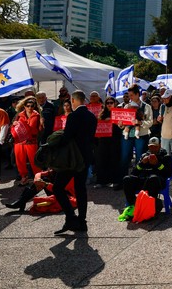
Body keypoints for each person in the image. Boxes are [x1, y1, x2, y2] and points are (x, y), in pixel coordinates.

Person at [53, 90, 97, 235]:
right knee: (80, 189)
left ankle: (71, 217)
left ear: (73, 100)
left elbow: (67, 137)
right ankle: (82, 221)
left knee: (58, 187)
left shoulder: (73, 116)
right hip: (85, 157)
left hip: (72, 159)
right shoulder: (92, 116)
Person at [119, 136, 172, 221]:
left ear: (159, 146)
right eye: (151, 146)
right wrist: (141, 164)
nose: (153, 149)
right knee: (127, 179)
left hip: (157, 182)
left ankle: (147, 205)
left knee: (153, 178)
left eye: (155, 146)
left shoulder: (166, 157)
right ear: (148, 147)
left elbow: (169, 173)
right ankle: (133, 205)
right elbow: (134, 173)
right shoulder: (144, 155)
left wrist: (157, 164)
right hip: (144, 180)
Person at [5, 168, 75, 213]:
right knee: (42, 179)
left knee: (44, 180)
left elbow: (61, 189)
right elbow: (39, 174)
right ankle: (21, 201)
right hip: (56, 191)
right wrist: (37, 180)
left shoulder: (69, 172)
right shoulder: (55, 170)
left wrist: (46, 184)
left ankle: (21, 202)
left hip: (67, 196)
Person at [13, 96, 42, 186]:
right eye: (28, 105)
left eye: (32, 106)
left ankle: (38, 178)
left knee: (34, 161)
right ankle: (24, 177)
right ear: (24, 106)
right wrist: (15, 124)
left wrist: (21, 125)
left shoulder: (36, 115)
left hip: (31, 141)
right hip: (19, 141)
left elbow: (32, 129)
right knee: (20, 161)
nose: (30, 107)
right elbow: (14, 126)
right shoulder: (19, 115)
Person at [95, 97, 122, 188]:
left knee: (114, 159)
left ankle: (114, 180)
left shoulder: (118, 113)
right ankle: (102, 181)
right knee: (102, 159)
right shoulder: (102, 114)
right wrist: (104, 121)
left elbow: (121, 126)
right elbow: (98, 126)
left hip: (115, 139)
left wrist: (112, 121)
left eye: (111, 102)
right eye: (107, 103)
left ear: (115, 103)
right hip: (103, 140)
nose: (109, 104)